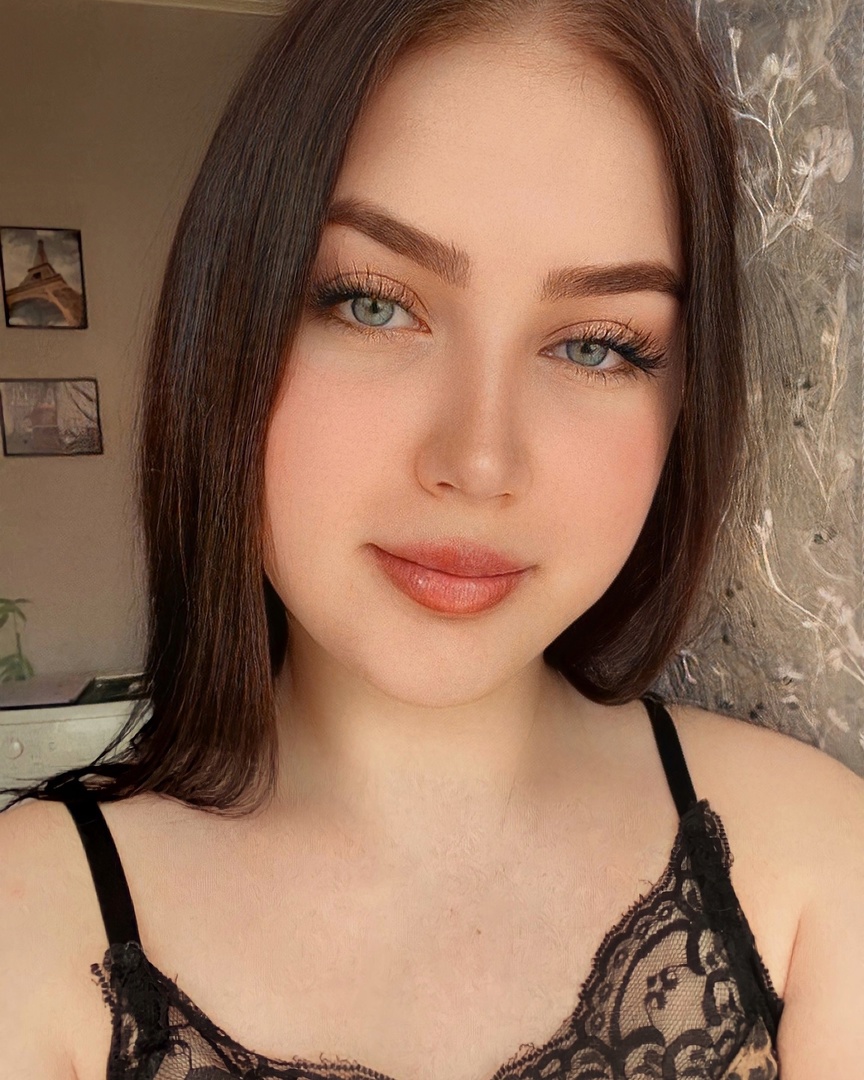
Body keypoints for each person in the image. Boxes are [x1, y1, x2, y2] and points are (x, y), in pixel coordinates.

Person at [1, 0, 862, 1076]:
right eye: (372, 304)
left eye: (597, 345)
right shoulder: (29, 936)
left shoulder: (814, 870)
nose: (480, 461)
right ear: (230, 322)